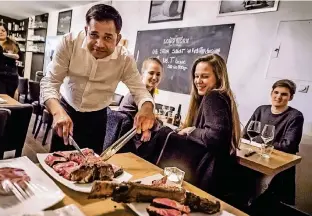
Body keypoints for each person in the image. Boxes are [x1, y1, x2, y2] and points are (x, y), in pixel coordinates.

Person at [40, 4, 155, 155]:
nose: (99, 44)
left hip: (97, 118)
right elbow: (50, 82)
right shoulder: (69, 43)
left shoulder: (125, 59)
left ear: (118, 38)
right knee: (57, 164)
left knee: (91, 169)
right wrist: (57, 112)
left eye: (107, 37)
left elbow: (140, 90)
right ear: (86, 30)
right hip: (66, 111)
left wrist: (147, 108)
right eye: (94, 35)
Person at [137, 53, 241, 197]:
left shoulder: (214, 96)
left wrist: (191, 130)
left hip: (208, 176)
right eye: (196, 76)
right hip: (220, 176)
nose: (198, 81)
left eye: (204, 76)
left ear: (218, 77)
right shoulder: (224, 96)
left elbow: (216, 137)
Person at [242, 79, 304, 205]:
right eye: (276, 92)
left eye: (284, 94)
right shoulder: (261, 110)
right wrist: (261, 144)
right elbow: (246, 135)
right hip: (253, 158)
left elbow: (288, 146)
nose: (278, 97)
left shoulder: (295, 116)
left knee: (261, 195)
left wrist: (258, 143)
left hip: (275, 164)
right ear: (271, 93)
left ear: (290, 97)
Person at [119, 57, 164, 142]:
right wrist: (149, 128)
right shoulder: (138, 97)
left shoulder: (150, 94)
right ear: (142, 73)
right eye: (151, 73)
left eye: (158, 74)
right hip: (125, 140)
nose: (154, 77)